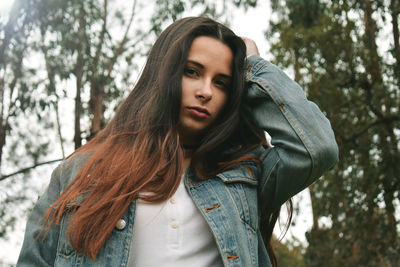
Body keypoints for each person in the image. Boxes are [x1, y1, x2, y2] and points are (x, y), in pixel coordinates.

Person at [17, 16, 338, 267]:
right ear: (165, 73)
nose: (206, 91)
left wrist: (254, 68)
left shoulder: (246, 176)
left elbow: (315, 148)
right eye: (193, 72)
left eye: (222, 82)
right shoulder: (81, 171)